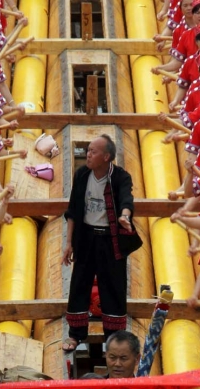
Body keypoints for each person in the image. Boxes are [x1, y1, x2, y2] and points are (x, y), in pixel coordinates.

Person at [61, 135, 137, 352]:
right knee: (79, 284)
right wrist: (68, 243)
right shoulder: (82, 174)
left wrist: (124, 216)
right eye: (88, 150)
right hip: (86, 237)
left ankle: (114, 340)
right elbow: (73, 210)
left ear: (106, 157)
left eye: (93, 151)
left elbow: (126, 199)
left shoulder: (121, 177)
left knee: (113, 286)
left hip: (110, 238)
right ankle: (76, 335)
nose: (88, 154)